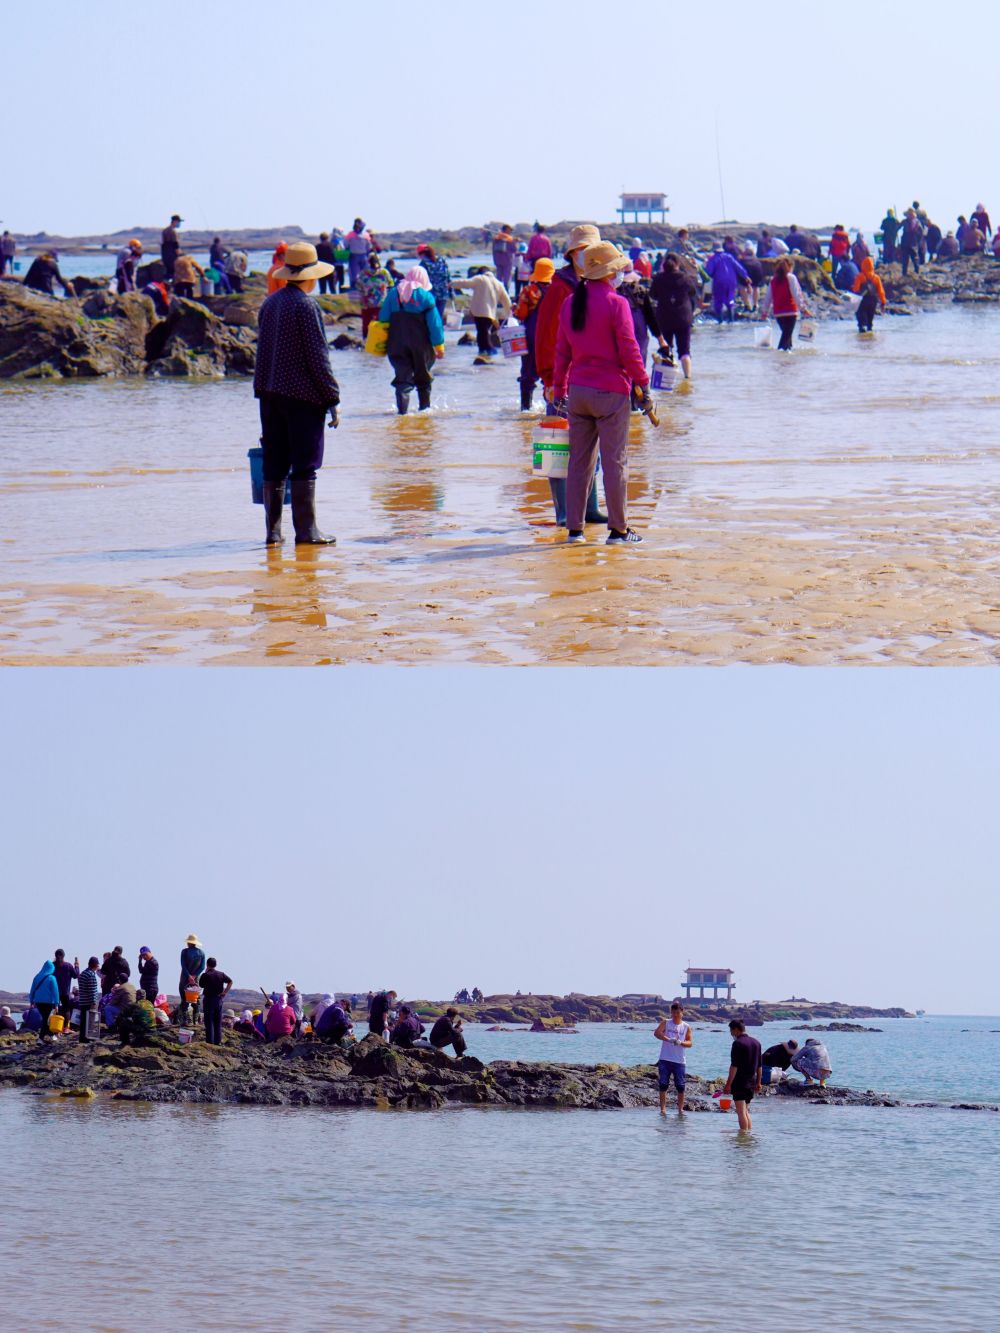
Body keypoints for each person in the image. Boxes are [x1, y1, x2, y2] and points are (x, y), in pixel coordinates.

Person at [553, 241, 652, 546]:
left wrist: (559, 389)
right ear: (610, 272)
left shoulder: (571, 302)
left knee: (578, 464)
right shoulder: (616, 303)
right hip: (611, 393)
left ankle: (575, 530)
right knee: (614, 463)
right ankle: (619, 530)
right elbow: (629, 349)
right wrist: (643, 383)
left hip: (578, 391)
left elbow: (562, 351)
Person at [254, 240, 341, 546]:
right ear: (311, 276)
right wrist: (333, 398)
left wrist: (261, 388)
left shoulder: (270, 303)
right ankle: (307, 532)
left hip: (269, 393)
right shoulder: (307, 306)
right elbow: (319, 356)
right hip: (303, 397)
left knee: (274, 462)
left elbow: (262, 352)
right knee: (305, 464)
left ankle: (273, 533)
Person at [534, 224, 608, 527]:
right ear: (573, 254)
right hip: (563, 380)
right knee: (560, 446)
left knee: (593, 448)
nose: (588, 255)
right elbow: (544, 337)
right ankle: (564, 512)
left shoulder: (598, 285)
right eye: (583, 251)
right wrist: (549, 379)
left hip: (593, 378)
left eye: (592, 250)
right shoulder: (559, 288)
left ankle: (589, 508)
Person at [379, 265, 445, 415]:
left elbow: (383, 318)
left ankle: (402, 414)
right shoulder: (425, 296)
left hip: (396, 344)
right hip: (421, 345)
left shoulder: (393, 294)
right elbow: (435, 324)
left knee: (402, 378)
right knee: (423, 377)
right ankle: (425, 411)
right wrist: (439, 346)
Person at [513, 257, 554, 411]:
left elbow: (521, 314)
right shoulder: (558, 291)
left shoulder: (529, 291)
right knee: (551, 375)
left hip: (531, 338)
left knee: (528, 374)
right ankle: (552, 408)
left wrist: (515, 309)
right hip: (552, 338)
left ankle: (525, 408)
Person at [651, 252, 698, 379]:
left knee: (667, 349)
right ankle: (687, 378)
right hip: (683, 318)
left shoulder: (658, 278)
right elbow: (693, 292)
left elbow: (653, 295)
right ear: (678, 264)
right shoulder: (685, 278)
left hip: (664, 318)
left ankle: (667, 381)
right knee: (684, 352)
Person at [452, 266, 511, 358]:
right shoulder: (498, 283)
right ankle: (487, 352)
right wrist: (509, 313)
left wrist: (452, 283)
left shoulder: (480, 278)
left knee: (481, 332)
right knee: (485, 331)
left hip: (478, 311)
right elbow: (506, 300)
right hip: (490, 313)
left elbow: (466, 283)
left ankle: (486, 350)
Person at [760, 256, 813, 351]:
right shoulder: (791, 278)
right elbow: (796, 294)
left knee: (787, 336)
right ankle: (779, 356)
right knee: (785, 337)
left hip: (778, 313)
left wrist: (765, 312)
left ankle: (788, 362)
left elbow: (768, 297)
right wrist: (803, 309)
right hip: (791, 311)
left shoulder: (773, 280)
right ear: (790, 267)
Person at [722, 1018, 762, 1131]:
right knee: (745, 1111)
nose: (731, 1034)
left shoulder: (737, 1043)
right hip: (751, 1081)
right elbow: (759, 1066)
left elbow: (734, 1066)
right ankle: (748, 1137)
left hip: (739, 1082)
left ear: (735, 1030)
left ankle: (743, 1138)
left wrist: (728, 1084)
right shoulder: (756, 1043)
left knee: (740, 1112)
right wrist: (758, 1082)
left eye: (731, 1031)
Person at [653, 1001, 693, 1114]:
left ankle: (680, 1109)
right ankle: (663, 1109)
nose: (675, 1015)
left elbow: (690, 1043)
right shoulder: (666, 1023)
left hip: (679, 1061)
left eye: (678, 1012)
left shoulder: (686, 1027)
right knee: (663, 1084)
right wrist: (668, 1039)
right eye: (673, 1012)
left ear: (682, 1013)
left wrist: (680, 1043)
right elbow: (656, 1033)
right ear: (671, 1012)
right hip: (665, 1059)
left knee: (680, 1086)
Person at [705, 242, 750, 322]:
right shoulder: (729, 257)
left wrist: (706, 265)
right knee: (730, 299)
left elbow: (709, 272)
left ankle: (720, 322)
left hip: (719, 282)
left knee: (718, 301)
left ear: (714, 250)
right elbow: (738, 267)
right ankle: (731, 321)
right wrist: (745, 276)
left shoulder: (713, 259)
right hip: (731, 281)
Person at [356, 251, 393, 336]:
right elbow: (391, 284)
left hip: (366, 303)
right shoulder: (384, 272)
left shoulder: (363, 273)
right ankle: (378, 342)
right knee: (380, 323)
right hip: (381, 302)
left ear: (368, 261)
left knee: (366, 324)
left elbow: (358, 286)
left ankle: (365, 342)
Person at [199, 958, 233, 1045]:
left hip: (209, 999)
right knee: (217, 1021)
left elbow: (201, 985)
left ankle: (210, 1041)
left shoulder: (206, 975)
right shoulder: (221, 974)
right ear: (215, 965)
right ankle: (218, 1041)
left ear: (207, 964)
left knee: (209, 1021)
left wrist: (205, 973)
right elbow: (230, 981)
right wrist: (224, 992)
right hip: (218, 1000)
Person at [415, 244, 453, 321]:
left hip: (430, 294)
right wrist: (451, 292)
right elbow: (448, 276)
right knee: (439, 317)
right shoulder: (442, 260)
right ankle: (439, 332)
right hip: (443, 293)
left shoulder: (423, 264)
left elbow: (420, 281)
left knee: (430, 319)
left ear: (421, 254)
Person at [178, 933, 206, 1027]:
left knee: (184, 999)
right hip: (195, 980)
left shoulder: (184, 952)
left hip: (184, 979)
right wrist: (194, 976)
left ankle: (185, 1021)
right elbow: (202, 967)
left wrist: (189, 976)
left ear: (189, 943)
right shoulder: (201, 953)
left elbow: (183, 965)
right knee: (196, 1000)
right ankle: (196, 1022)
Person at [29, 960, 61, 1041]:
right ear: (52, 968)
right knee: (46, 1020)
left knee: (45, 1019)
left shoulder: (36, 977)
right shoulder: (52, 978)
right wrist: (57, 1003)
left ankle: (50, 1035)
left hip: (38, 1002)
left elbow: (32, 990)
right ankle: (41, 1038)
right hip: (48, 1003)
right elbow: (55, 991)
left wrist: (31, 1001)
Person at [853, 257, 887, 332]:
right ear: (872, 266)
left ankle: (862, 329)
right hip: (873, 300)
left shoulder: (860, 276)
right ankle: (869, 329)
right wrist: (883, 302)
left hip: (863, 300)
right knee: (870, 317)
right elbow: (881, 291)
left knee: (861, 315)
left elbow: (856, 289)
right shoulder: (876, 277)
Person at [345, 218, 376, 289]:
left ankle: (355, 288)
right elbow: (369, 246)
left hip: (355, 256)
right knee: (364, 273)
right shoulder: (365, 235)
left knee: (354, 274)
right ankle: (363, 287)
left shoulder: (351, 234)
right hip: (362, 255)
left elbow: (345, 245)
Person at [76, 958, 101, 1043]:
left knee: (83, 1021)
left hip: (83, 1000)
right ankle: (87, 1038)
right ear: (95, 965)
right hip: (89, 1001)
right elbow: (92, 990)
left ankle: (82, 1038)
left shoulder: (83, 973)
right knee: (89, 1021)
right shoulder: (90, 974)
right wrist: (94, 1002)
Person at [52, 949, 79, 1024]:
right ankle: (66, 1027)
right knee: (66, 1009)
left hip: (54, 992)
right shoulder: (68, 966)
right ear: (64, 956)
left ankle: (53, 1026)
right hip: (65, 992)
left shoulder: (52, 965)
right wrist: (76, 966)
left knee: (54, 1009)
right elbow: (76, 975)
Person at [898, 209, 924, 277]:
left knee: (907, 259)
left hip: (907, 243)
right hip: (913, 242)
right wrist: (918, 241)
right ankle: (916, 272)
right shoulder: (917, 222)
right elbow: (921, 233)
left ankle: (906, 273)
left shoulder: (905, 221)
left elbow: (897, 227)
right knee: (913, 258)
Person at [491, 223, 516, 290]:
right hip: (508, 260)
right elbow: (514, 249)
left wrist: (494, 259)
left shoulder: (496, 238)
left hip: (498, 260)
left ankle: (497, 292)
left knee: (498, 277)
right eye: (510, 230)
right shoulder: (510, 239)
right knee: (507, 278)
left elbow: (493, 250)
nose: (510, 232)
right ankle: (506, 292)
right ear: (507, 230)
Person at [160, 214, 182, 279]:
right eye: (179, 222)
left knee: (168, 272)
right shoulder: (173, 231)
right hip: (172, 255)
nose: (179, 223)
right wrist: (179, 253)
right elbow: (175, 244)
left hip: (165, 255)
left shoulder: (164, 230)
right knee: (173, 272)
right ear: (175, 221)